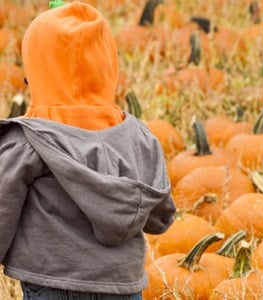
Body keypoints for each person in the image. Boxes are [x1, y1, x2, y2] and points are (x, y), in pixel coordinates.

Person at [0, 1, 176, 299]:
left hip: (53, 282)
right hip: (123, 284)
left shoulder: (28, 140)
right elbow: (161, 216)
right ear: (108, 66)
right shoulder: (138, 137)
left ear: (37, 70)